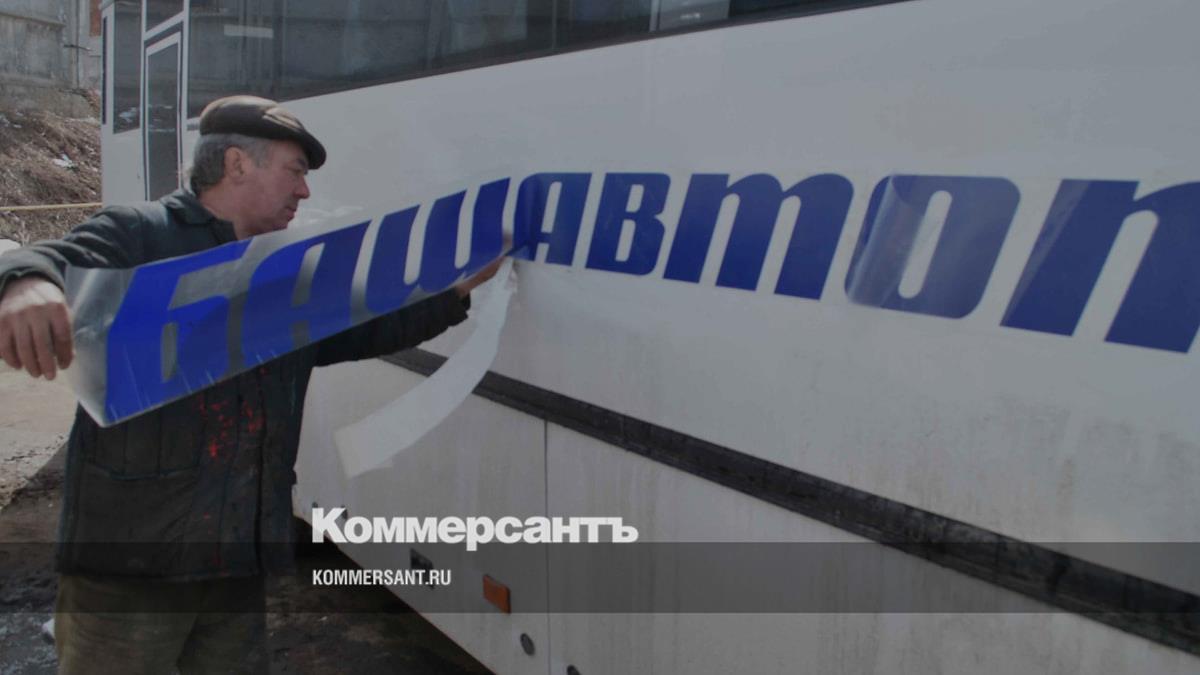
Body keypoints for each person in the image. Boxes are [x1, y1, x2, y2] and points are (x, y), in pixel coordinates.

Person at [0, 95, 500, 674]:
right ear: (237, 164)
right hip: (132, 572)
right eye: (295, 171)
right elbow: (46, 260)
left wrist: (455, 291)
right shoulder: (142, 234)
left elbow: (364, 329)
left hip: (236, 563)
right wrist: (26, 283)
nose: (304, 191)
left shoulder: (282, 269)